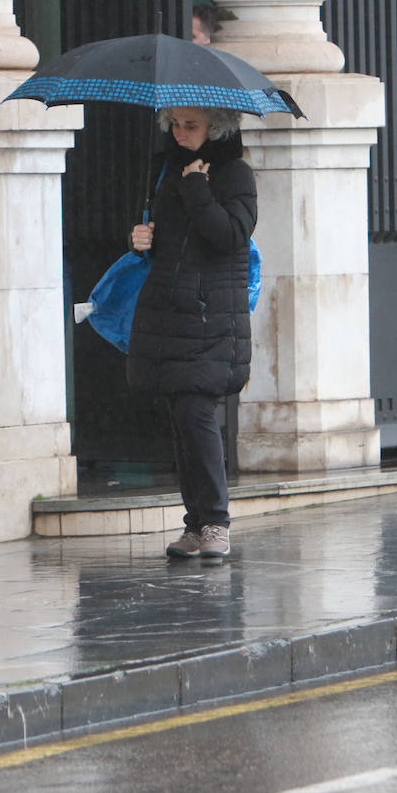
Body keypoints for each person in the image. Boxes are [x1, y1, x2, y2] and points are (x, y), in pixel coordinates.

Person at [127, 105, 256, 558]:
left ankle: (216, 522)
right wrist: (143, 239)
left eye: (192, 126)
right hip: (170, 312)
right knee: (182, 421)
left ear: (214, 129)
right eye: (176, 125)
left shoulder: (234, 174)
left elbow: (229, 236)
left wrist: (198, 189)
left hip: (212, 315)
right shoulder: (168, 171)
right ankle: (194, 523)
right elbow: (172, 245)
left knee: (199, 416)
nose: (181, 134)